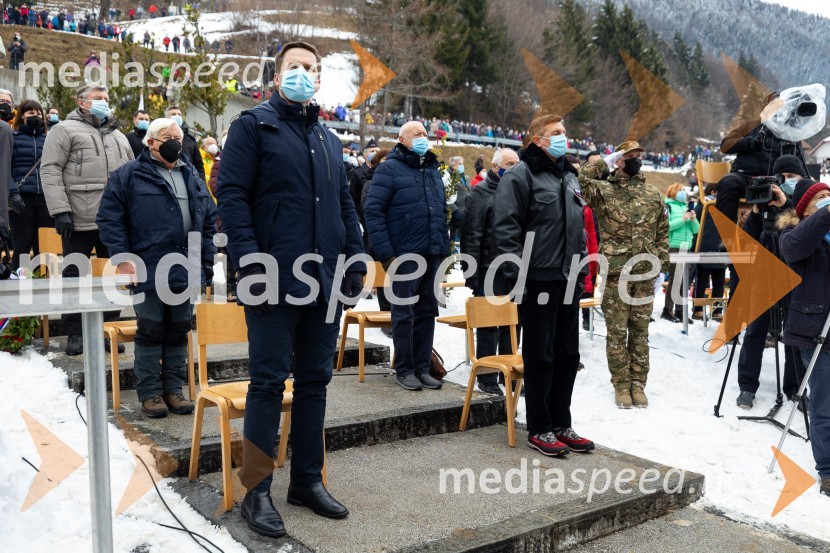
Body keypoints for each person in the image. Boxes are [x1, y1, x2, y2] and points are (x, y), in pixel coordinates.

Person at [218, 41, 364, 537]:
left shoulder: (328, 138)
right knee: (266, 385)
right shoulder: (252, 126)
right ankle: (255, 491)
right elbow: (232, 197)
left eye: (313, 68)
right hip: (273, 280)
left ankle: (305, 479)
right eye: (295, 67)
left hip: (323, 283)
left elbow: (345, 204)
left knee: (315, 384)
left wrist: (355, 258)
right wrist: (249, 264)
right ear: (276, 75)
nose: (304, 74)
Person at [97, 118, 216, 418]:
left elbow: (209, 223)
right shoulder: (128, 175)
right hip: (147, 268)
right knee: (150, 330)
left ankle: (173, 390)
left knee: (178, 330)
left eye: (178, 135)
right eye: (166, 136)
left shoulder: (192, 175)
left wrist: (205, 264)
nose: (174, 140)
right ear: (150, 142)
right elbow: (110, 220)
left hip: (184, 269)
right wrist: (124, 260)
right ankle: (150, 393)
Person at [493, 114, 592, 456]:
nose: (564, 137)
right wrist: (517, 277)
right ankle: (540, 427)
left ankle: (561, 421)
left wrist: (580, 272)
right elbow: (506, 231)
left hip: (567, 278)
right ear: (537, 139)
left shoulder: (569, 177)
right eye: (556, 133)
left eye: (565, 131)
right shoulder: (521, 175)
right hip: (536, 279)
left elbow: (577, 231)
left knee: (568, 354)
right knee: (540, 356)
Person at [41, 83, 134, 355]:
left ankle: (106, 330)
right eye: (98, 98)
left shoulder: (119, 136)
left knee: (113, 277)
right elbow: (50, 171)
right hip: (78, 217)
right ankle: (75, 333)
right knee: (75, 276)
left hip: (116, 221)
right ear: (82, 102)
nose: (104, 102)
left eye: (106, 98)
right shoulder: (63, 130)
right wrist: (60, 211)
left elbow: (132, 175)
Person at [579, 142, 669, 409]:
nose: (635, 160)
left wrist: (660, 268)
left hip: (644, 275)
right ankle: (621, 384)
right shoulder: (604, 191)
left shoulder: (652, 193)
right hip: (617, 274)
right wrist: (605, 161)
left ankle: (638, 384)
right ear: (618, 160)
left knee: (640, 332)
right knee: (617, 332)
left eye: (638, 156)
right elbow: (579, 179)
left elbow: (661, 233)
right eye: (629, 156)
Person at [364, 121, 449, 392]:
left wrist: (443, 248)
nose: (423, 137)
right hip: (404, 253)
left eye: (425, 133)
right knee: (404, 312)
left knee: (427, 311)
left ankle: (423, 367)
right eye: (417, 134)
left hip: (432, 251)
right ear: (401, 139)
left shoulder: (433, 170)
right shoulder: (388, 169)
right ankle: (405, 368)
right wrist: (387, 254)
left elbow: (439, 210)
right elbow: (373, 212)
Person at [735, 154, 811, 409]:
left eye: (792, 177)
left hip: (793, 276)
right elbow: (747, 241)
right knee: (755, 331)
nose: (787, 181)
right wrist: (756, 211)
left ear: (802, 177)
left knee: (794, 334)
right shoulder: (762, 205)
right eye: (783, 177)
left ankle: (795, 388)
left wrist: (787, 203)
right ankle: (747, 386)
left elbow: (803, 233)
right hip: (762, 275)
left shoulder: (805, 202)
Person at [778, 180, 830, 498]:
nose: (827, 201)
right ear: (807, 209)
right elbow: (797, 245)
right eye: (822, 199)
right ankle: (827, 469)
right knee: (825, 405)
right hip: (816, 333)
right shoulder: (795, 238)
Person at [460, 148, 520, 396]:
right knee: (489, 324)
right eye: (510, 163)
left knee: (512, 324)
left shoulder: (518, 192)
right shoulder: (480, 193)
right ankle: (486, 377)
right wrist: (470, 270)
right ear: (496, 167)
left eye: (518, 163)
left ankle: (511, 375)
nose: (515, 167)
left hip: (512, 267)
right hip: (488, 267)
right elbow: (471, 234)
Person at [7, 100, 50, 271]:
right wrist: (12, 193)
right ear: (22, 116)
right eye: (31, 113)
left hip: (45, 199)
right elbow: (4, 169)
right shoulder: (12, 138)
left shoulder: (49, 139)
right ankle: (17, 281)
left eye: (39, 113)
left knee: (44, 247)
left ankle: (42, 283)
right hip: (21, 198)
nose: (36, 116)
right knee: (22, 246)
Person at [662, 184, 699, 323]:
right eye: (680, 190)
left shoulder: (686, 207)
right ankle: (667, 309)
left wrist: (693, 219)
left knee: (685, 280)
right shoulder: (667, 206)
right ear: (672, 192)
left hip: (686, 247)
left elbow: (696, 230)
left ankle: (680, 310)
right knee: (675, 278)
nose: (683, 193)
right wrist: (682, 219)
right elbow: (667, 226)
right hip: (673, 247)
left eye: (684, 190)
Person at [692, 183, 726, 321]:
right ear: (713, 191)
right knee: (702, 282)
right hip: (706, 248)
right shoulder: (702, 205)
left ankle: (717, 310)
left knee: (718, 282)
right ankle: (698, 309)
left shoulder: (724, 206)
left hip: (720, 248)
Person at [164, 106, 205, 182]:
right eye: (173, 114)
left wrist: (202, 184)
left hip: (189, 179)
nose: (177, 116)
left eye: (179, 114)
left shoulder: (190, 140)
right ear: (166, 118)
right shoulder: (161, 137)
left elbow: (199, 165)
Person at [200, 136, 219, 202]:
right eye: (210, 144)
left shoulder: (219, 158)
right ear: (203, 146)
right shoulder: (200, 158)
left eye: (214, 143)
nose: (213, 146)